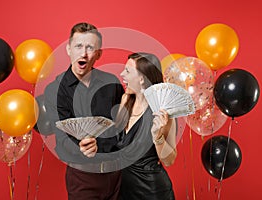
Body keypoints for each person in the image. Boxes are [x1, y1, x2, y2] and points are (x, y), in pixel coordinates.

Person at [43, 22, 124, 200]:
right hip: (83, 179)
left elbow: (122, 128)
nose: (84, 53)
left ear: (98, 54)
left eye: (90, 47)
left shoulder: (112, 83)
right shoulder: (54, 90)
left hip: (118, 176)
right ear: (68, 49)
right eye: (78, 46)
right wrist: (82, 148)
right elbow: (62, 139)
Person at [115, 52, 177, 199]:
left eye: (128, 71)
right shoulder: (125, 100)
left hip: (152, 191)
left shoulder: (162, 112)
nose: (122, 74)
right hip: (123, 190)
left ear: (142, 79)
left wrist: (158, 137)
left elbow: (169, 160)